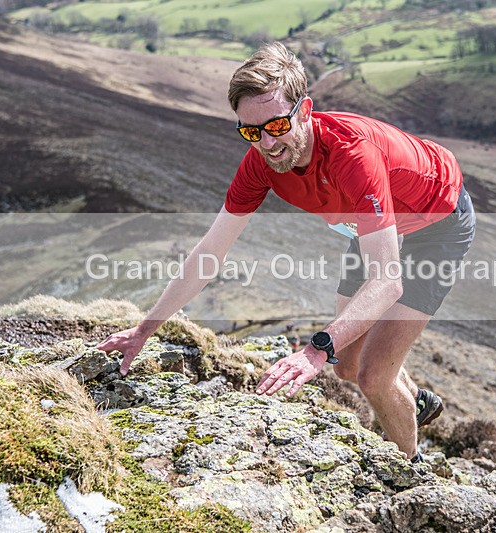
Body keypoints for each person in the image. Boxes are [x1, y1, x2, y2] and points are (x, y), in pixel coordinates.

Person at [97, 42, 476, 462]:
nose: (266, 143)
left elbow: (387, 280)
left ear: (306, 110)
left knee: (370, 377)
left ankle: (410, 473)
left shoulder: (353, 157)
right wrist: (144, 329)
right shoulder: (259, 163)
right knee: (345, 365)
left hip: (436, 219)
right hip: (369, 223)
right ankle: (414, 399)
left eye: (277, 126)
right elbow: (209, 252)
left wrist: (314, 348)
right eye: (250, 131)